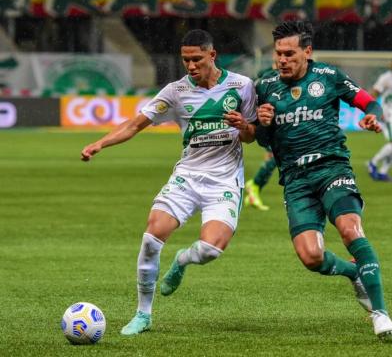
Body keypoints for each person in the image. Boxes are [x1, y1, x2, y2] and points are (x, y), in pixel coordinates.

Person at [81, 29, 257, 335]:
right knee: (151, 237)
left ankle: (181, 261)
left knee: (210, 250)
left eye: (196, 59)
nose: (190, 65)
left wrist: (243, 126)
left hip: (224, 182)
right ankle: (143, 315)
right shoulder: (175, 91)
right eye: (185, 59)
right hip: (187, 178)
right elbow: (135, 124)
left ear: (212, 55)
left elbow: (253, 135)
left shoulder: (242, 86)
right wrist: (100, 144)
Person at [255, 20, 392, 341]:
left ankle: (381, 313)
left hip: (332, 168)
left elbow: (366, 101)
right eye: (278, 54)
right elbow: (262, 141)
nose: (282, 60)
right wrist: (262, 125)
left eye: (289, 53)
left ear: (307, 51)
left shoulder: (329, 77)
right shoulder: (265, 86)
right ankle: (354, 272)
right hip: (295, 180)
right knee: (311, 257)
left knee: (349, 228)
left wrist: (372, 115)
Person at [245, 64, 278, 211]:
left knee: (273, 157)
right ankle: (254, 185)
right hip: (266, 125)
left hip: (276, 124)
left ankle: (253, 193)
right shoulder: (267, 77)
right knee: (274, 157)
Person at [367, 61, 392, 181]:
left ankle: (383, 172)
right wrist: (373, 109)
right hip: (389, 114)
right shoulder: (386, 78)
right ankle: (373, 162)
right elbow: (374, 94)